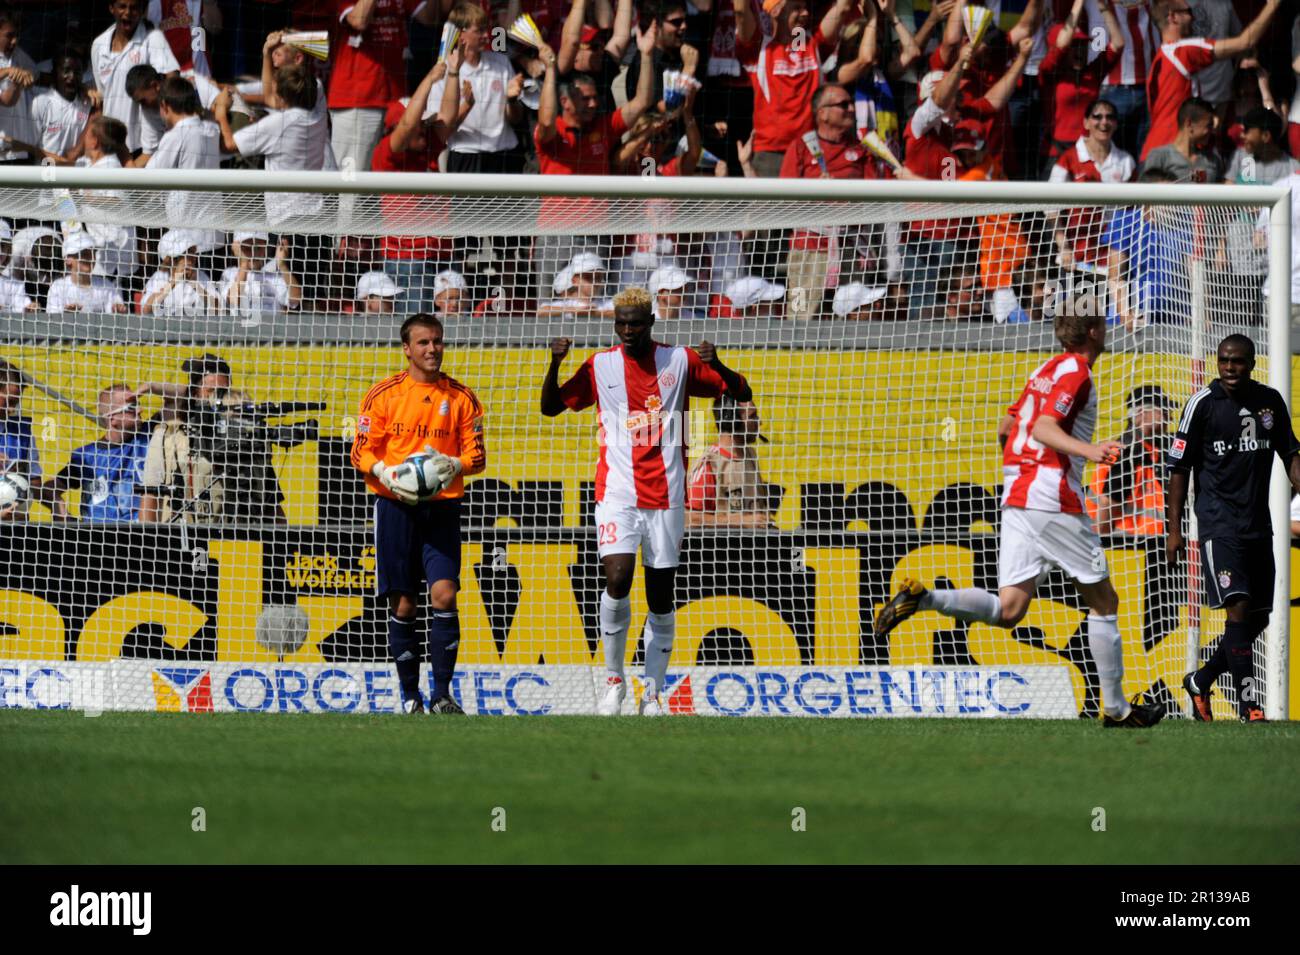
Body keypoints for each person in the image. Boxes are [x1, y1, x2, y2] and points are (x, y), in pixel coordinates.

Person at [875, 307, 1165, 728]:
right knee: (1105, 602)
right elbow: (1045, 427)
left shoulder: (1045, 368)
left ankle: (925, 598)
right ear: (1094, 332)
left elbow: (1006, 426)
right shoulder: (1076, 373)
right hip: (1052, 498)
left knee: (1010, 609)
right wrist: (1089, 451)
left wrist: (1019, 469)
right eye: (1105, 324)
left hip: (1018, 495)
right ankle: (1118, 710)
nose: (1109, 330)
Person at [541, 286, 753, 715]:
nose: (628, 330)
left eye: (636, 323)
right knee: (617, 579)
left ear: (650, 323)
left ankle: (653, 691)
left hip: (667, 496)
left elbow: (741, 390)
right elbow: (550, 407)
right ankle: (615, 679)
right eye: (621, 323)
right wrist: (554, 363)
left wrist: (719, 364)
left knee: (659, 595)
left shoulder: (679, 360)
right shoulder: (600, 365)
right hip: (617, 492)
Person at [350, 313, 487, 715]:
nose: (432, 349)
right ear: (407, 348)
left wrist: (452, 466)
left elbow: (477, 456)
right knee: (404, 604)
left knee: (444, 593)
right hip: (395, 506)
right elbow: (360, 451)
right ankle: (410, 697)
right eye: (424, 343)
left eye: (438, 342)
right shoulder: (384, 394)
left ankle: (442, 694)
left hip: (442, 507)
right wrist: (384, 472)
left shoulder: (462, 398)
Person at [1167, 334, 1300, 724]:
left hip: (1258, 524)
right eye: (1224, 360)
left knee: (1259, 616)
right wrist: (1174, 530)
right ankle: (1249, 705)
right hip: (1218, 525)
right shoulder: (1202, 405)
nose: (1229, 368)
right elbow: (1178, 470)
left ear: (1251, 363)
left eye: (1238, 361)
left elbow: (1290, 454)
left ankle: (1200, 679)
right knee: (1238, 609)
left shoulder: (1270, 402)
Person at [139, 353, 287, 524]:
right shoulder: (169, 435)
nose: (217, 397)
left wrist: (284, 546)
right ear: (195, 393)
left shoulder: (249, 436)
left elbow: (270, 503)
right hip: (182, 536)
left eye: (223, 391)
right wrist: (148, 543)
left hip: (236, 540)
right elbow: (150, 495)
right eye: (210, 391)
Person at [1141, 0, 1280, 161]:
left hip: (1156, 152)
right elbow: (1245, 42)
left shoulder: (1161, 58)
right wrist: (1272, 5)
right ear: (1173, 17)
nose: (1193, 18)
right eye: (1188, 12)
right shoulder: (1183, 51)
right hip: (1172, 155)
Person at [45, 383, 151, 521]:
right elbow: (48, 489)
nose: (139, 410)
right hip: (98, 537)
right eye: (131, 408)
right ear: (112, 418)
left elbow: (180, 399)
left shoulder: (147, 436)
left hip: (141, 536)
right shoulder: (87, 457)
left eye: (137, 404)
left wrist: (149, 386)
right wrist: (65, 519)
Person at [91, 0, 180, 159]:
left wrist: (159, 105)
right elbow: (102, 98)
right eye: (122, 6)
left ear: (141, 10)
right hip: (112, 141)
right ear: (111, 7)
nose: (128, 13)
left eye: (134, 8)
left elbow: (172, 79)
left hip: (146, 143)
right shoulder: (98, 45)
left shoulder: (153, 38)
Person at [1089, 384, 1178, 536]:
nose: (1169, 418)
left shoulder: (1150, 449)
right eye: (1163, 412)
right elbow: (1105, 514)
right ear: (1142, 412)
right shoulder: (1128, 452)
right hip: (1125, 544)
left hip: (1149, 542)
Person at [686, 394, 779, 527]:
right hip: (723, 547)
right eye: (752, 416)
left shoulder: (750, 454)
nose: (759, 422)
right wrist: (739, 520)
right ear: (732, 421)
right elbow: (688, 518)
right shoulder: (709, 464)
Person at [1140, 96, 1223, 183]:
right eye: (1208, 125)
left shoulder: (1213, 160)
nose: (1212, 130)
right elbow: (1147, 191)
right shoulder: (1160, 156)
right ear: (1189, 124)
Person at [140, 229, 222, 317]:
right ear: (172, 259)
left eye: (192, 252)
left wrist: (196, 285)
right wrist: (173, 282)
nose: (193, 257)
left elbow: (220, 308)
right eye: (186, 254)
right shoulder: (159, 277)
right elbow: (146, 310)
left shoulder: (200, 276)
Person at [45, 232, 128, 315]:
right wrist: (67, 315)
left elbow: (117, 319)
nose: (91, 258)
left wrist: (118, 311)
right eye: (84, 254)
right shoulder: (58, 287)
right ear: (68, 260)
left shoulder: (106, 285)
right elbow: (52, 322)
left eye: (93, 252)